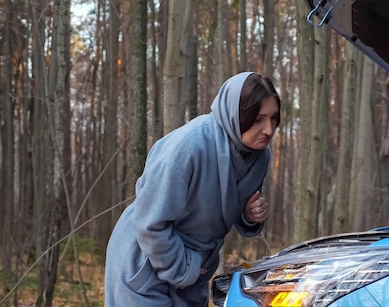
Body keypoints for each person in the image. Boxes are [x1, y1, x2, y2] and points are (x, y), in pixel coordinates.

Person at [104, 72, 280, 306]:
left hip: (194, 273)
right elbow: (150, 223)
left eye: (273, 118)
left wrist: (248, 215)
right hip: (145, 264)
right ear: (237, 116)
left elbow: (227, 205)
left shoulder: (259, 156)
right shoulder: (188, 147)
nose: (268, 129)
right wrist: (184, 269)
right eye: (258, 119)